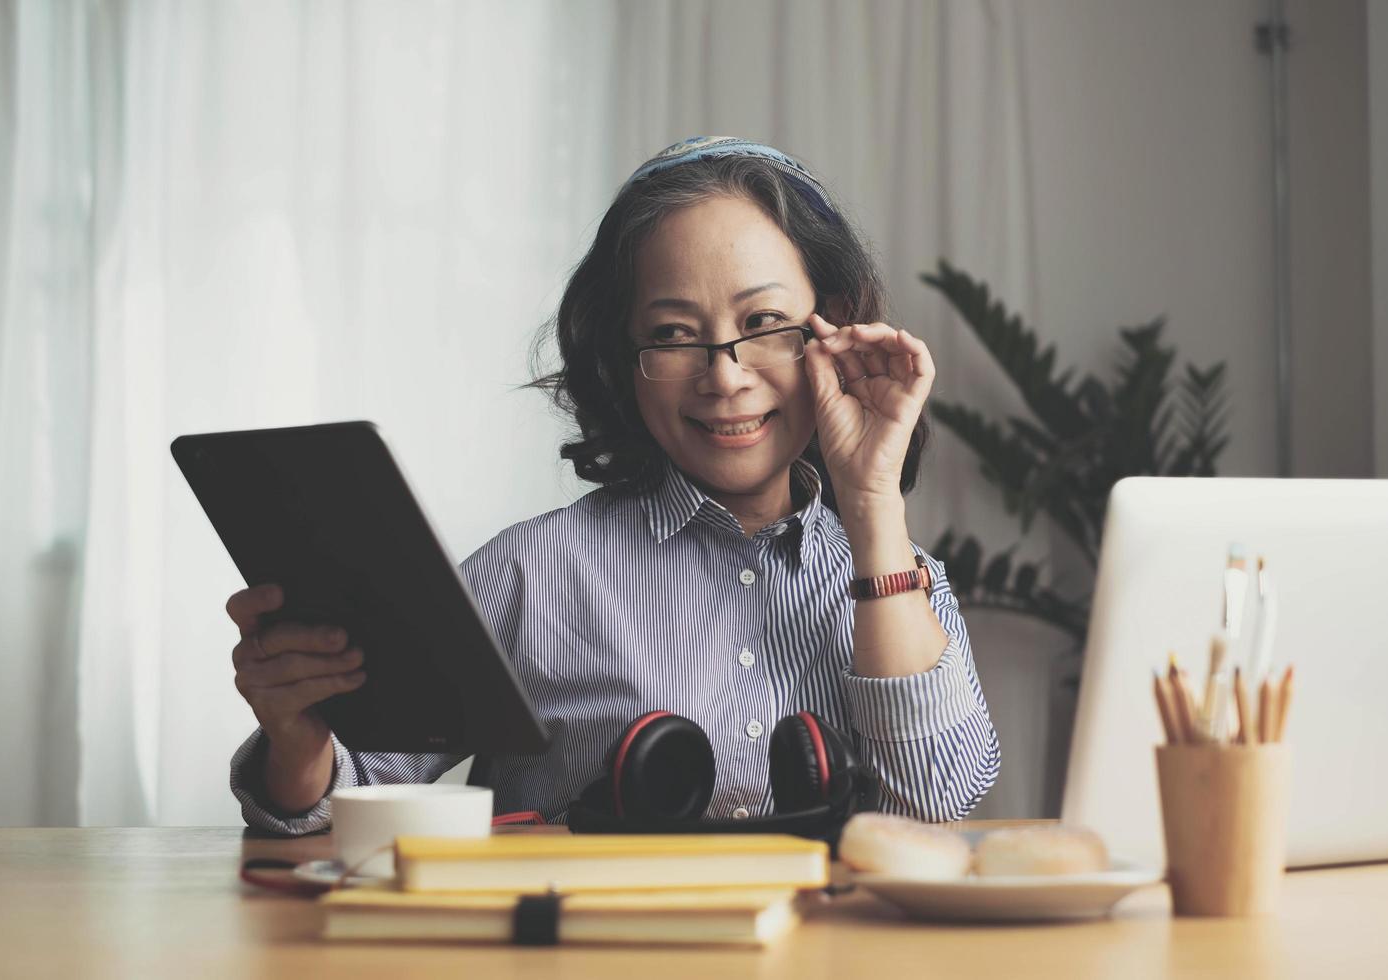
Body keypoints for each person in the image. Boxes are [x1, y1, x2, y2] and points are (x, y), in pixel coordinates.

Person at [226, 137, 1000, 835]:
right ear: (619, 360)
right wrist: (297, 737)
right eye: (671, 334)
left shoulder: (897, 579)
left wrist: (870, 505)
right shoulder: (528, 573)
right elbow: (345, 802)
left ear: (827, 334)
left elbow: (933, 804)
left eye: (763, 323)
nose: (723, 376)